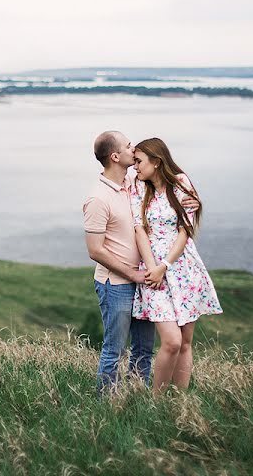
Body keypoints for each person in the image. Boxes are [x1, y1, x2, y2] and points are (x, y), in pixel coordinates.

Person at [83, 131, 198, 395]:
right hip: (118, 284)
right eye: (127, 146)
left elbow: (167, 184)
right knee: (115, 349)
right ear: (115, 156)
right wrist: (132, 275)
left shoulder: (134, 182)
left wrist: (195, 202)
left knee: (144, 349)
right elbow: (94, 250)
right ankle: (107, 405)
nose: (132, 148)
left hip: (146, 279)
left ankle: (136, 397)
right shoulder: (98, 198)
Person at [130, 137, 222, 394]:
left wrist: (166, 265)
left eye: (139, 161)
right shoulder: (138, 187)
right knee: (171, 341)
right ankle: (157, 404)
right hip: (153, 269)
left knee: (185, 342)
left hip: (183, 267)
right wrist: (153, 268)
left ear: (157, 162)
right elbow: (139, 230)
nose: (134, 167)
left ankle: (179, 403)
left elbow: (185, 230)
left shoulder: (181, 182)